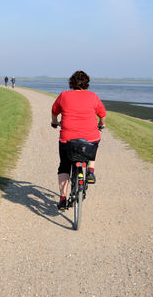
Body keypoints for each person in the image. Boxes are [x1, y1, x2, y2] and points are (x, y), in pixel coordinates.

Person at [51, 70, 106, 210]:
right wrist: (101, 124)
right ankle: (91, 171)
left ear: (71, 83)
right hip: (90, 138)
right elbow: (102, 114)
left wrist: (54, 122)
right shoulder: (93, 96)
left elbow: (54, 110)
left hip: (67, 139)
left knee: (64, 165)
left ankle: (63, 199)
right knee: (94, 143)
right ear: (87, 83)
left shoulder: (64, 95)